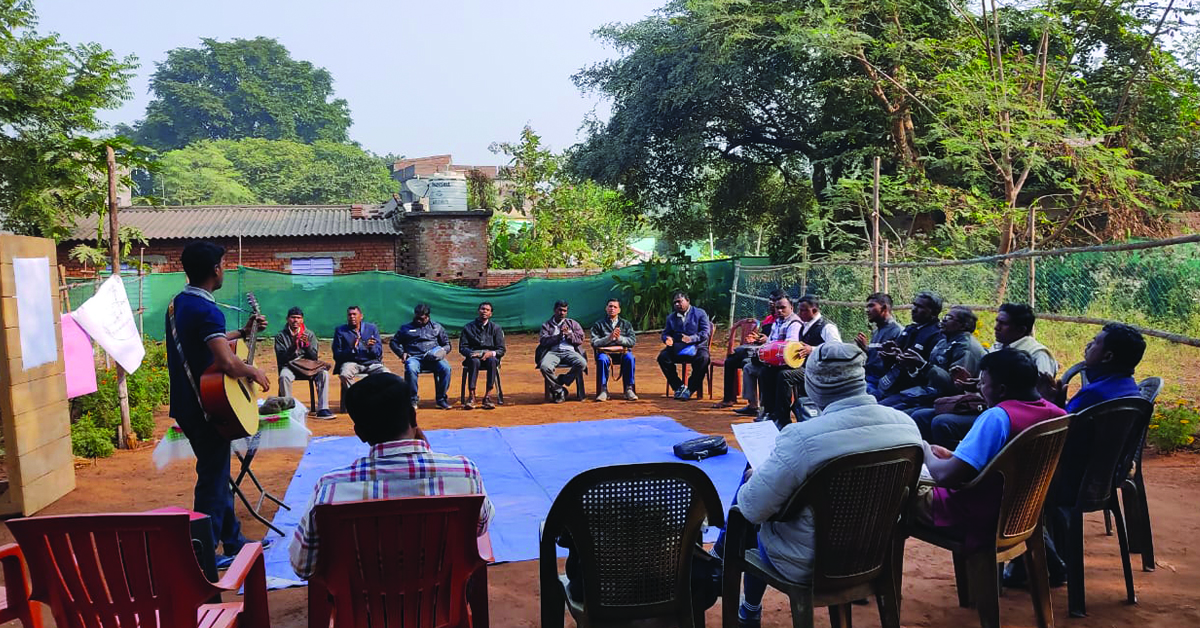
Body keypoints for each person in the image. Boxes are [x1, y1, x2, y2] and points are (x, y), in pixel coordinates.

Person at [721, 343, 923, 627]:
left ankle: (746, 607)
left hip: (809, 562)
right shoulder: (906, 426)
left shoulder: (802, 437)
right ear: (861, 378)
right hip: (875, 555)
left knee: (755, 515)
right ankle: (747, 607)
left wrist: (755, 478)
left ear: (812, 385)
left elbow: (753, 508)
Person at [288, 373, 495, 579]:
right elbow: (480, 527)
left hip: (362, 608)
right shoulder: (464, 473)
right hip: (442, 606)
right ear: (413, 418)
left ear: (360, 433)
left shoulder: (330, 488)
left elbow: (303, 566)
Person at [1003, 322, 1146, 589]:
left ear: (1108, 356)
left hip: (1070, 482)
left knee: (1007, 484)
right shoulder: (1127, 388)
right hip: (1100, 480)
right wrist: (1059, 402)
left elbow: (1056, 435)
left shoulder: (1095, 393)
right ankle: (1035, 563)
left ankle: (1047, 564)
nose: (1089, 344)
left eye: (1095, 341)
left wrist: (1047, 401)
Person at [165, 241, 271, 569]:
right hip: (207, 406)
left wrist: (241, 331)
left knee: (218, 472)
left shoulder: (179, 303)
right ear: (215, 270)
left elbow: (206, 340)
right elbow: (227, 363)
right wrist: (253, 371)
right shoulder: (208, 309)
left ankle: (234, 539)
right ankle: (205, 554)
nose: (225, 269)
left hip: (188, 403)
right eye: (224, 264)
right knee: (212, 480)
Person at [912, 350, 1066, 552]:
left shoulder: (998, 417)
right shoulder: (1058, 414)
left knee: (898, 492)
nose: (979, 388)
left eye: (983, 383)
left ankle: (878, 572)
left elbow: (946, 476)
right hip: (1024, 514)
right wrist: (953, 457)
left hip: (976, 514)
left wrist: (923, 449)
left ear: (1001, 389)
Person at [910, 303, 1059, 447]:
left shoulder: (1037, 355)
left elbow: (1037, 398)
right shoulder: (998, 347)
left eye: (1003, 323)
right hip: (985, 404)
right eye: (997, 321)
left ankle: (958, 463)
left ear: (1021, 329)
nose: (996, 327)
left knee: (942, 423)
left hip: (1009, 416)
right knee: (920, 416)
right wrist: (975, 383)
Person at [879, 306, 984, 411]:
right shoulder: (943, 342)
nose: (943, 320)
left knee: (897, 414)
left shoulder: (965, 347)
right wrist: (909, 365)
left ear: (962, 326)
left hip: (948, 401)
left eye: (948, 317)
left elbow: (955, 387)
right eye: (944, 316)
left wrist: (923, 365)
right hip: (927, 394)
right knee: (883, 407)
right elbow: (926, 379)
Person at [716, 289, 783, 414]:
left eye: (774, 300)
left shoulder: (785, 321)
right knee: (730, 361)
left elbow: (781, 340)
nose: (770, 302)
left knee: (748, 362)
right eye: (770, 299)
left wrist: (766, 340)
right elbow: (764, 335)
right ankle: (729, 398)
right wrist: (757, 338)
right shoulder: (769, 319)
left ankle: (756, 405)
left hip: (771, 354)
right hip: (761, 348)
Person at [874, 291, 944, 398]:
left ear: (933, 312)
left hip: (911, 390)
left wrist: (910, 364)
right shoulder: (910, 329)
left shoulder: (937, 335)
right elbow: (895, 357)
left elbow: (929, 374)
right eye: (914, 305)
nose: (914, 309)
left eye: (920, 307)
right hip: (889, 382)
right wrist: (889, 356)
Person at [749, 295, 805, 427]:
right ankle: (769, 412)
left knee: (782, 376)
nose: (779, 311)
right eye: (777, 308)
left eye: (783, 308)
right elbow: (770, 342)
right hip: (778, 361)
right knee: (764, 372)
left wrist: (772, 348)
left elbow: (790, 345)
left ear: (791, 307)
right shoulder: (777, 322)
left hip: (793, 362)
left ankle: (783, 417)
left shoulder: (794, 323)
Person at [274, 306, 333, 419]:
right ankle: (288, 409)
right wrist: (294, 345)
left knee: (324, 373)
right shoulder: (280, 336)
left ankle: (323, 408)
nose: (295, 320)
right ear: (287, 319)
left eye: (298, 318)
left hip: (308, 367)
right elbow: (282, 358)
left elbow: (314, 357)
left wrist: (306, 346)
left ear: (302, 320)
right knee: (283, 376)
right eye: (293, 317)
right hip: (290, 366)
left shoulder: (309, 334)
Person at [390, 303, 453, 410]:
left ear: (428, 316)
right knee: (410, 368)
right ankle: (412, 400)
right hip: (414, 357)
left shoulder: (437, 327)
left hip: (433, 358)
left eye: (421, 318)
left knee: (446, 368)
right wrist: (401, 353)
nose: (418, 320)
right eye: (417, 317)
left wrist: (442, 351)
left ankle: (441, 399)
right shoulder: (406, 328)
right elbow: (394, 342)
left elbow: (447, 344)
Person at [657, 291, 712, 400]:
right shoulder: (671, 318)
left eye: (679, 301)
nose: (677, 304)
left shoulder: (700, 313)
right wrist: (667, 338)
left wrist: (691, 339)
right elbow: (666, 332)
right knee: (663, 357)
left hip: (697, 347)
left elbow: (706, 333)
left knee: (704, 358)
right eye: (675, 303)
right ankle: (679, 387)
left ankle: (690, 389)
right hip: (677, 348)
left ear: (688, 301)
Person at [537, 300, 588, 403]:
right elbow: (543, 341)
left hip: (570, 352)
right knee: (544, 366)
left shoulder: (572, 324)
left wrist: (569, 335)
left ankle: (563, 380)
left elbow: (580, 339)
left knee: (582, 363)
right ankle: (559, 390)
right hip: (553, 352)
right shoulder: (547, 325)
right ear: (555, 310)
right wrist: (558, 337)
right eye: (560, 310)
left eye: (565, 311)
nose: (562, 313)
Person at [459, 301, 505, 410]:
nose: (484, 311)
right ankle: (471, 396)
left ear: (491, 314)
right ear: (478, 311)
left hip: (489, 357)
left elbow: (501, 349)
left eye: (487, 310)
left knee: (493, 361)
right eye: (482, 309)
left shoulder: (496, 328)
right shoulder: (468, 328)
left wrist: (491, 353)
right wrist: (471, 354)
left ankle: (487, 396)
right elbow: (462, 347)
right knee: (474, 362)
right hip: (474, 357)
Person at [589, 298, 638, 401]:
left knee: (630, 358)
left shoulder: (626, 324)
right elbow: (594, 342)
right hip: (605, 354)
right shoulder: (598, 324)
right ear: (606, 308)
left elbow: (632, 341)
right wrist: (609, 338)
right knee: (602, 360)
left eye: (615, 307)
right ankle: (603, 390)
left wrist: (619, 339)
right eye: (610, 306)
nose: (612, 309)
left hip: (622, 353)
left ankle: (629, 389)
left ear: (619, 310)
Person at [855, 293, 904, 392]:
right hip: (868, 378)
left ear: (884, 308)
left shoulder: (898, 331)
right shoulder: (876, 331)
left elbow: (896, 364)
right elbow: (878, 357)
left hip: (881, 384)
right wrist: (866, 349)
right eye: (867, 306)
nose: (867, 310)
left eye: (871, 306)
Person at [331, 306, 389, 388]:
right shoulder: (341, 331)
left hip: (371, 363)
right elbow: (337, 355)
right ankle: (357, 395)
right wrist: (353, 349)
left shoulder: (372, 328)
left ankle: (378, 398)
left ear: (361, 316)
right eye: (349, 315)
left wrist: (371, 347)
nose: (352, 317)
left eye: (354, 314)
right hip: (351, 363)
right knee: (344, 375)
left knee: (387, 375)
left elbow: (378, 353)